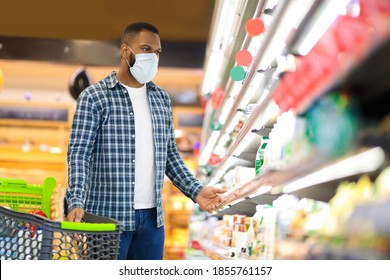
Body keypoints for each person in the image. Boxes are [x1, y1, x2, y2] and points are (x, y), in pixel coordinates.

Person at [65, 22, 226, 260]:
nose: (152, 57)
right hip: (106, 219)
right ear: (125, 51)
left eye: (157, 52)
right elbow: (79, 153)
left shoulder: (161, 98)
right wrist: (76, 200)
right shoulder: (94, 97)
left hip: (152, 221)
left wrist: (197, 191)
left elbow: (170, 154)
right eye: (146, 49)